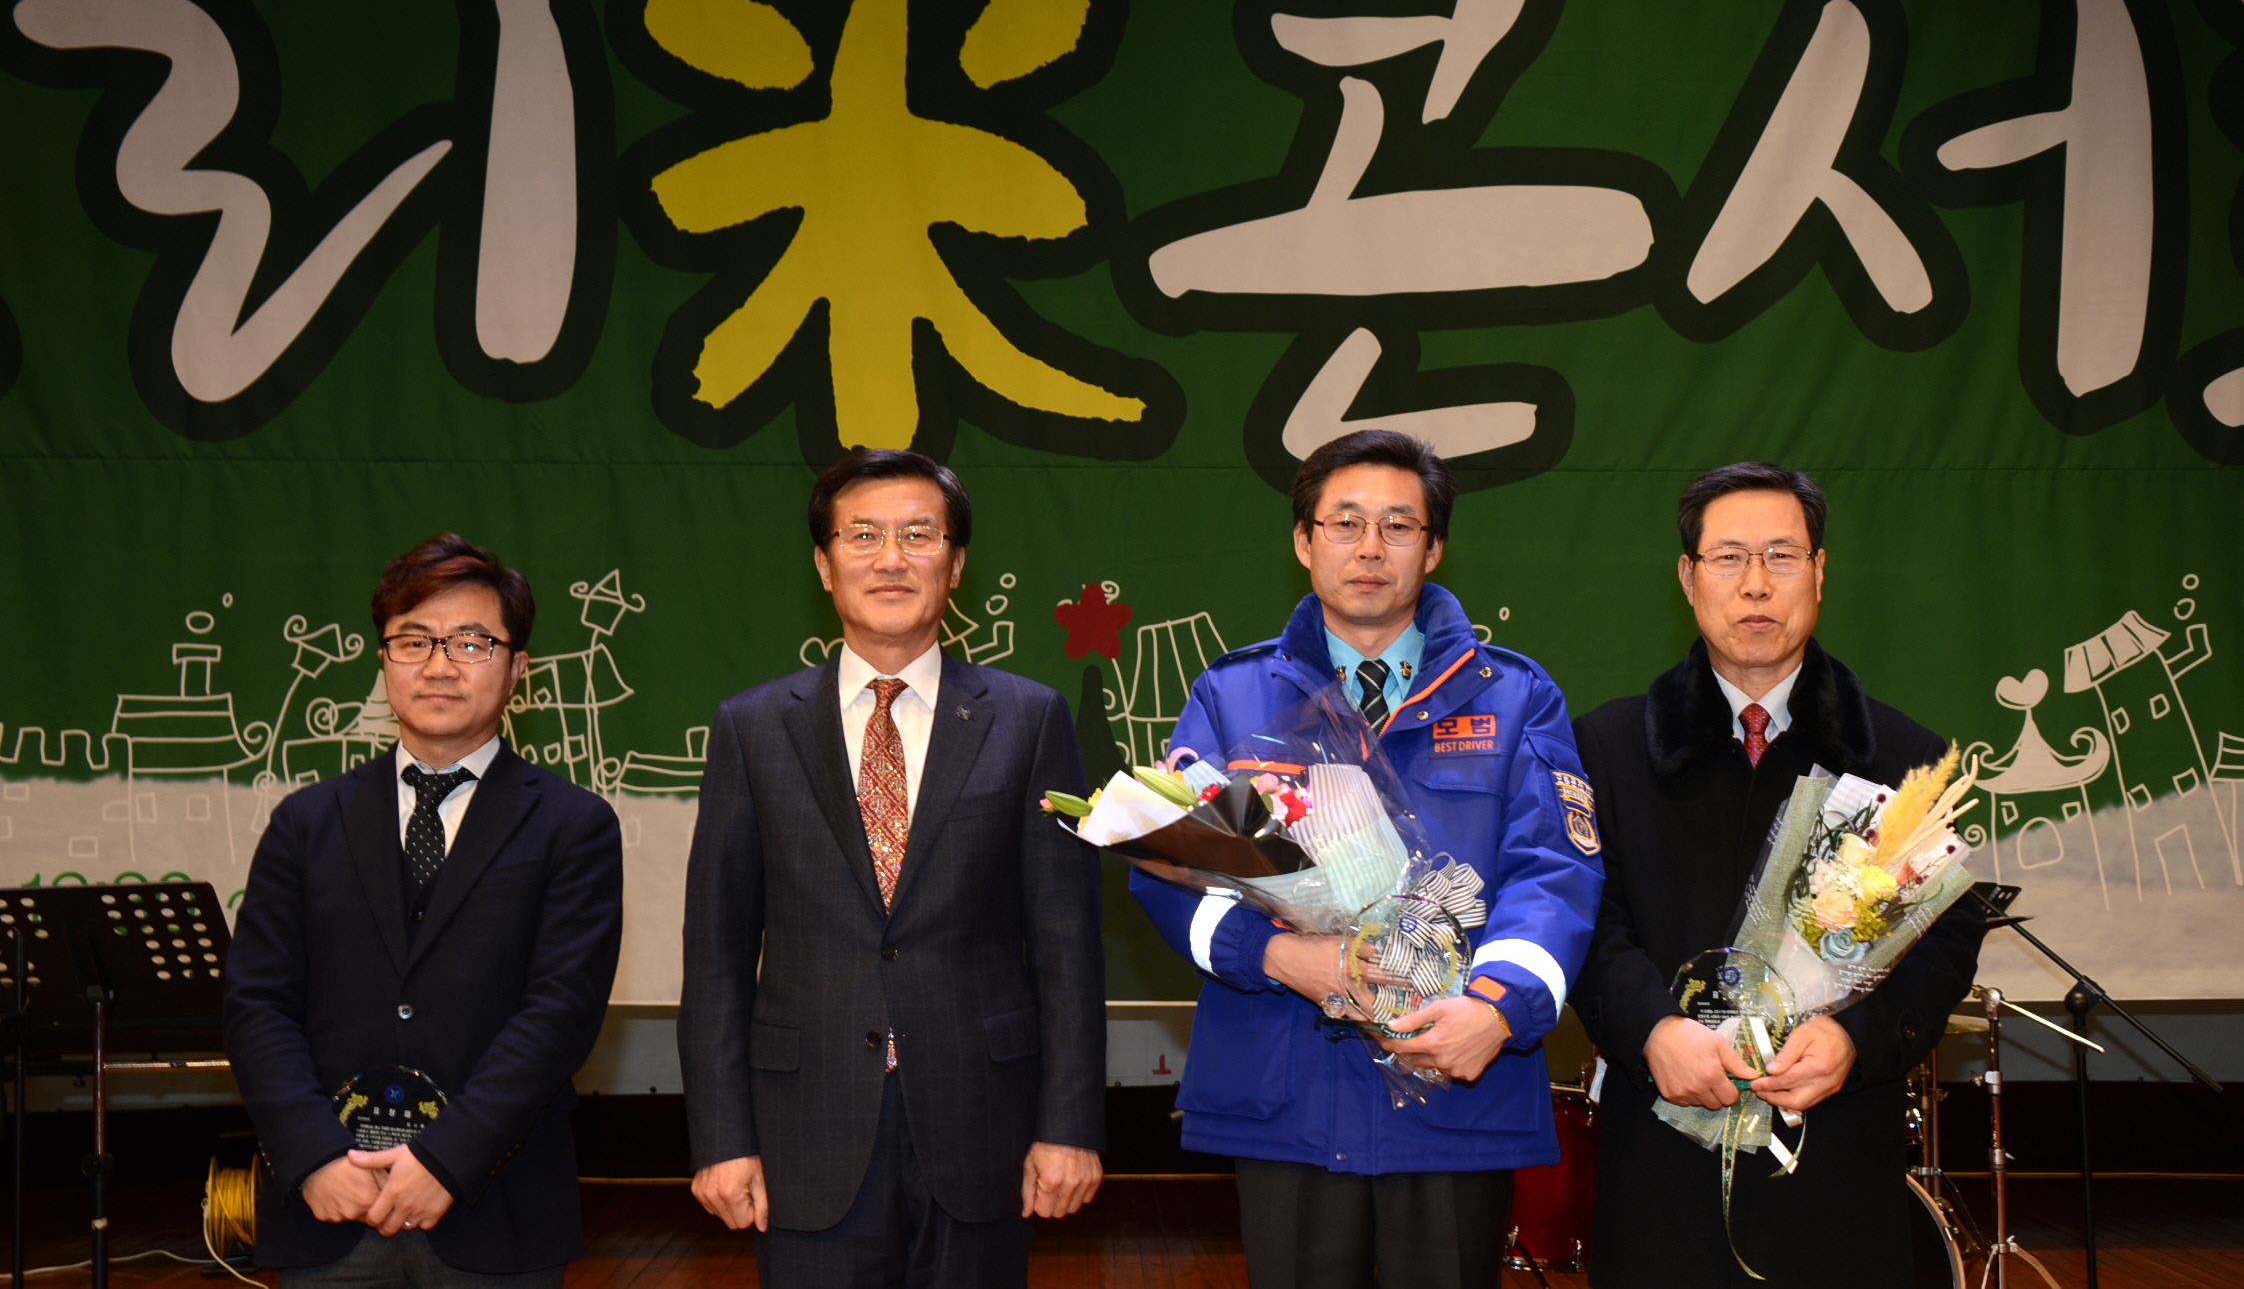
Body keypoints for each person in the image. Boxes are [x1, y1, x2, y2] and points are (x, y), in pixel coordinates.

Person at [1130, 430, 1605, 1289]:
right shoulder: (1231, 696)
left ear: (1434, 546)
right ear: (1303, 540)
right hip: (1286, 1083)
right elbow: (1171, 868)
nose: (1371, 548)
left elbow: (1554, 871)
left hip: (1455, 1079)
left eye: (1398, 525)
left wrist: (1497, 1010)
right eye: (1345, 523)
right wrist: (1278, 956)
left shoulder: (1515, 696)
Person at [679, 448, 1105, 1288]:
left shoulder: (1028, 719)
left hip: (983, 1123)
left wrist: (1070, 1126)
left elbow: (1068, 946)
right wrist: (721, 1140)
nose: (890, 559)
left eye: (918, 535)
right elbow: (717, 956)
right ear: (823, 564)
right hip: (805, 1130)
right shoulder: (752, 727)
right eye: (863, 535)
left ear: (956, 563)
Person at [1569, 462, 1984, 1288]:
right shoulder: (1604, 750)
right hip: (1662, 1150)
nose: (1756, 584)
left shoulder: (1903, 761)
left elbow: (1944, 939)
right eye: (1728, 558)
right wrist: (1652, 1029)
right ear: (1688, 578)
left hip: (1836, 1157)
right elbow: (1581, 916)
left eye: (1782, 557)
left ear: (1820, 573)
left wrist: (1857, 1038)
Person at [224, 534, 625, 1288]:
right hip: (329, 1206)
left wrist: (446, 1159)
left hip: (493, 1206)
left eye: (472, 642)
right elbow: (257, 1005)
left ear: (518, 670)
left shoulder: (573, 826)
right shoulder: (306, 823)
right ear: (384, 661)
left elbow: (559, 1013)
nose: (439, 666)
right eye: (414, 641)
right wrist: (311, 1156)